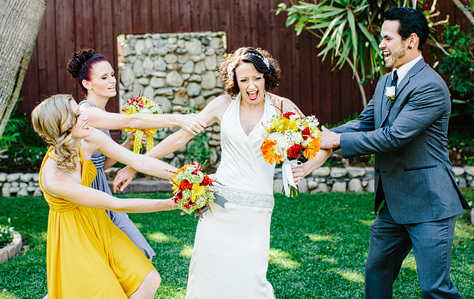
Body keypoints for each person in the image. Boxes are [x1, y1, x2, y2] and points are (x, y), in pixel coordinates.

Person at [113, 47, 330, 299]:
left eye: (257, 78)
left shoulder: (282, 107)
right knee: (208, 278)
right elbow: (179, 138)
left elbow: (323, 145)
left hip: (255, 210)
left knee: (251, 282)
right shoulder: (222, 105)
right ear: (234, 81)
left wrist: (306, 167)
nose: (251, 86)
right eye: (244, 79)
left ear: (266, 77)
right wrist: (134, 165)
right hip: (217, 204)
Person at [319, 7, 469, 299]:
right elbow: (364, 123)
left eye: (388, 38)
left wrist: (336, 141)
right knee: (377, 271)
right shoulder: (386, 82)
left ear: (410, 41)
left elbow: (394, 137)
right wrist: (318, 136)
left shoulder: (430, 86)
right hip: (394, 203)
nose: (382, 45)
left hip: (429, 203)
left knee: (434, 288)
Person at [31, 94, 177, 298]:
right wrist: (174, 203)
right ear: (63, 126)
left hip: (100, 223)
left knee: (149, 279)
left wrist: (184, 178)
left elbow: (139, 162)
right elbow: (116, 204)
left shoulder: (88, 138)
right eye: (77, 115)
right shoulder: (55, 177)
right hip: (74, 235)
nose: (85, 118)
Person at [67, 47, 207, 259]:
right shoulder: (86, 113)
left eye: (112, 74)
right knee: (108, 262)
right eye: (104, 77)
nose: (112, 80)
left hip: (102, 187)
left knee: (138, 255)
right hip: (87, 193)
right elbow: (130, 120)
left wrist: (129, 142)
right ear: (87, 84)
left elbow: (101, 164)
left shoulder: (101, 112)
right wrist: (178, 118)